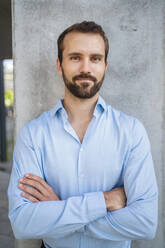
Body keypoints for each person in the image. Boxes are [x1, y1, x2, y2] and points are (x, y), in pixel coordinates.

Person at [8, 21, 158, 248]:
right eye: (75, 57)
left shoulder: (131, 132)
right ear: (60, 65)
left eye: (95, 58)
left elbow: (145, 223)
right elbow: (22, 223)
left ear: (105, 66)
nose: (85, 68)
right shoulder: (33, 134)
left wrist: (59, 212)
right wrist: (105, 201)